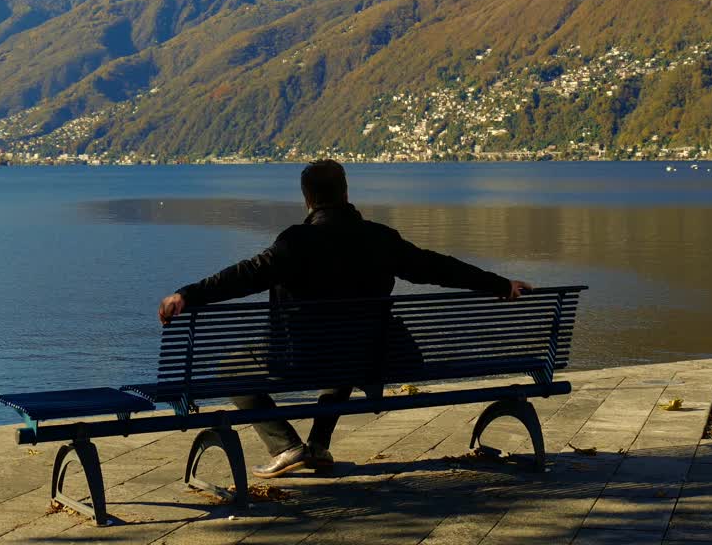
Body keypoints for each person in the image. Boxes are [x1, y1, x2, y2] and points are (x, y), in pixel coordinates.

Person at [157, 160, 530, 478]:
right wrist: (499, 284)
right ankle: (318, 445)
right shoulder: (381, 239)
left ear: (307, 199)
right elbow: (439, 268)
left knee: (231, 368)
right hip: (371, 355)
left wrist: (186, 294)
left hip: (301, 360)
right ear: (346, 193)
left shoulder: (295, 242)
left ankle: (287, 446)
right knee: (349, 346)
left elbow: (243, 276)